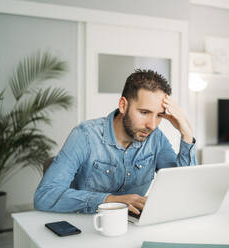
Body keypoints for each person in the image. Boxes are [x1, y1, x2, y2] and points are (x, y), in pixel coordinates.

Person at [34, 69, 197, 214]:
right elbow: (45, 195)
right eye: (144, 112)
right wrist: (110, 201)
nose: (152, 125)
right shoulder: (85, 136)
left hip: (132, 229)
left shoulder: (155, 138)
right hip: (88, 226)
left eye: (159, 115)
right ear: (123, 105)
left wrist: (186, 133)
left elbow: (183, 190)